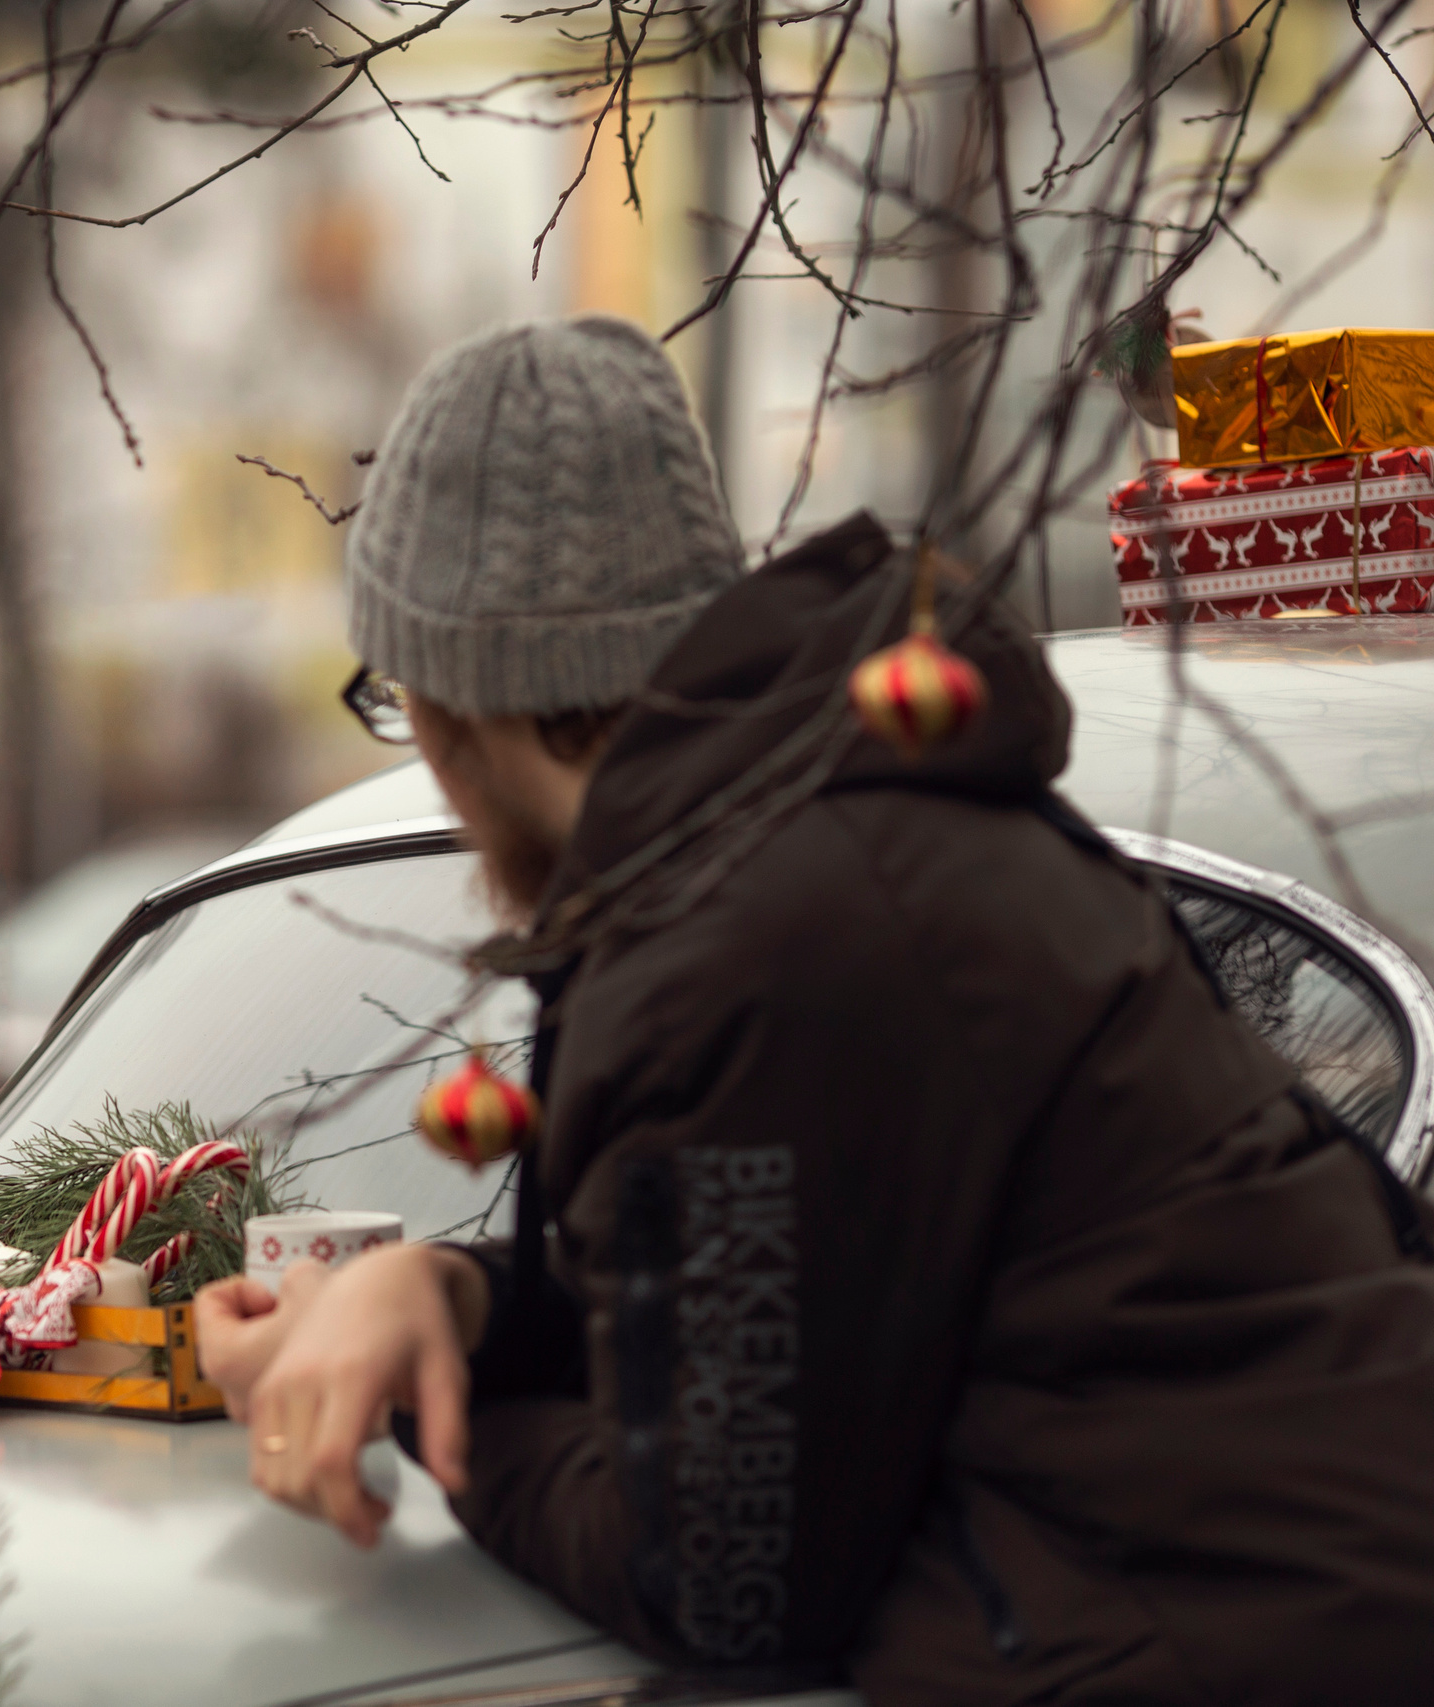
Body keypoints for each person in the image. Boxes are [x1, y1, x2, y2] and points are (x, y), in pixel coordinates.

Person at [195, 317, 1434, 1702]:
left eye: (394, 697)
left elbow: (721, 1575)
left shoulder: (754, 932)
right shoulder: (816, 841)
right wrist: (445, 1294)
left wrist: (442, 1407)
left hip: (1241, 1650)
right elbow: (767, 1296)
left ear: (445, 703)